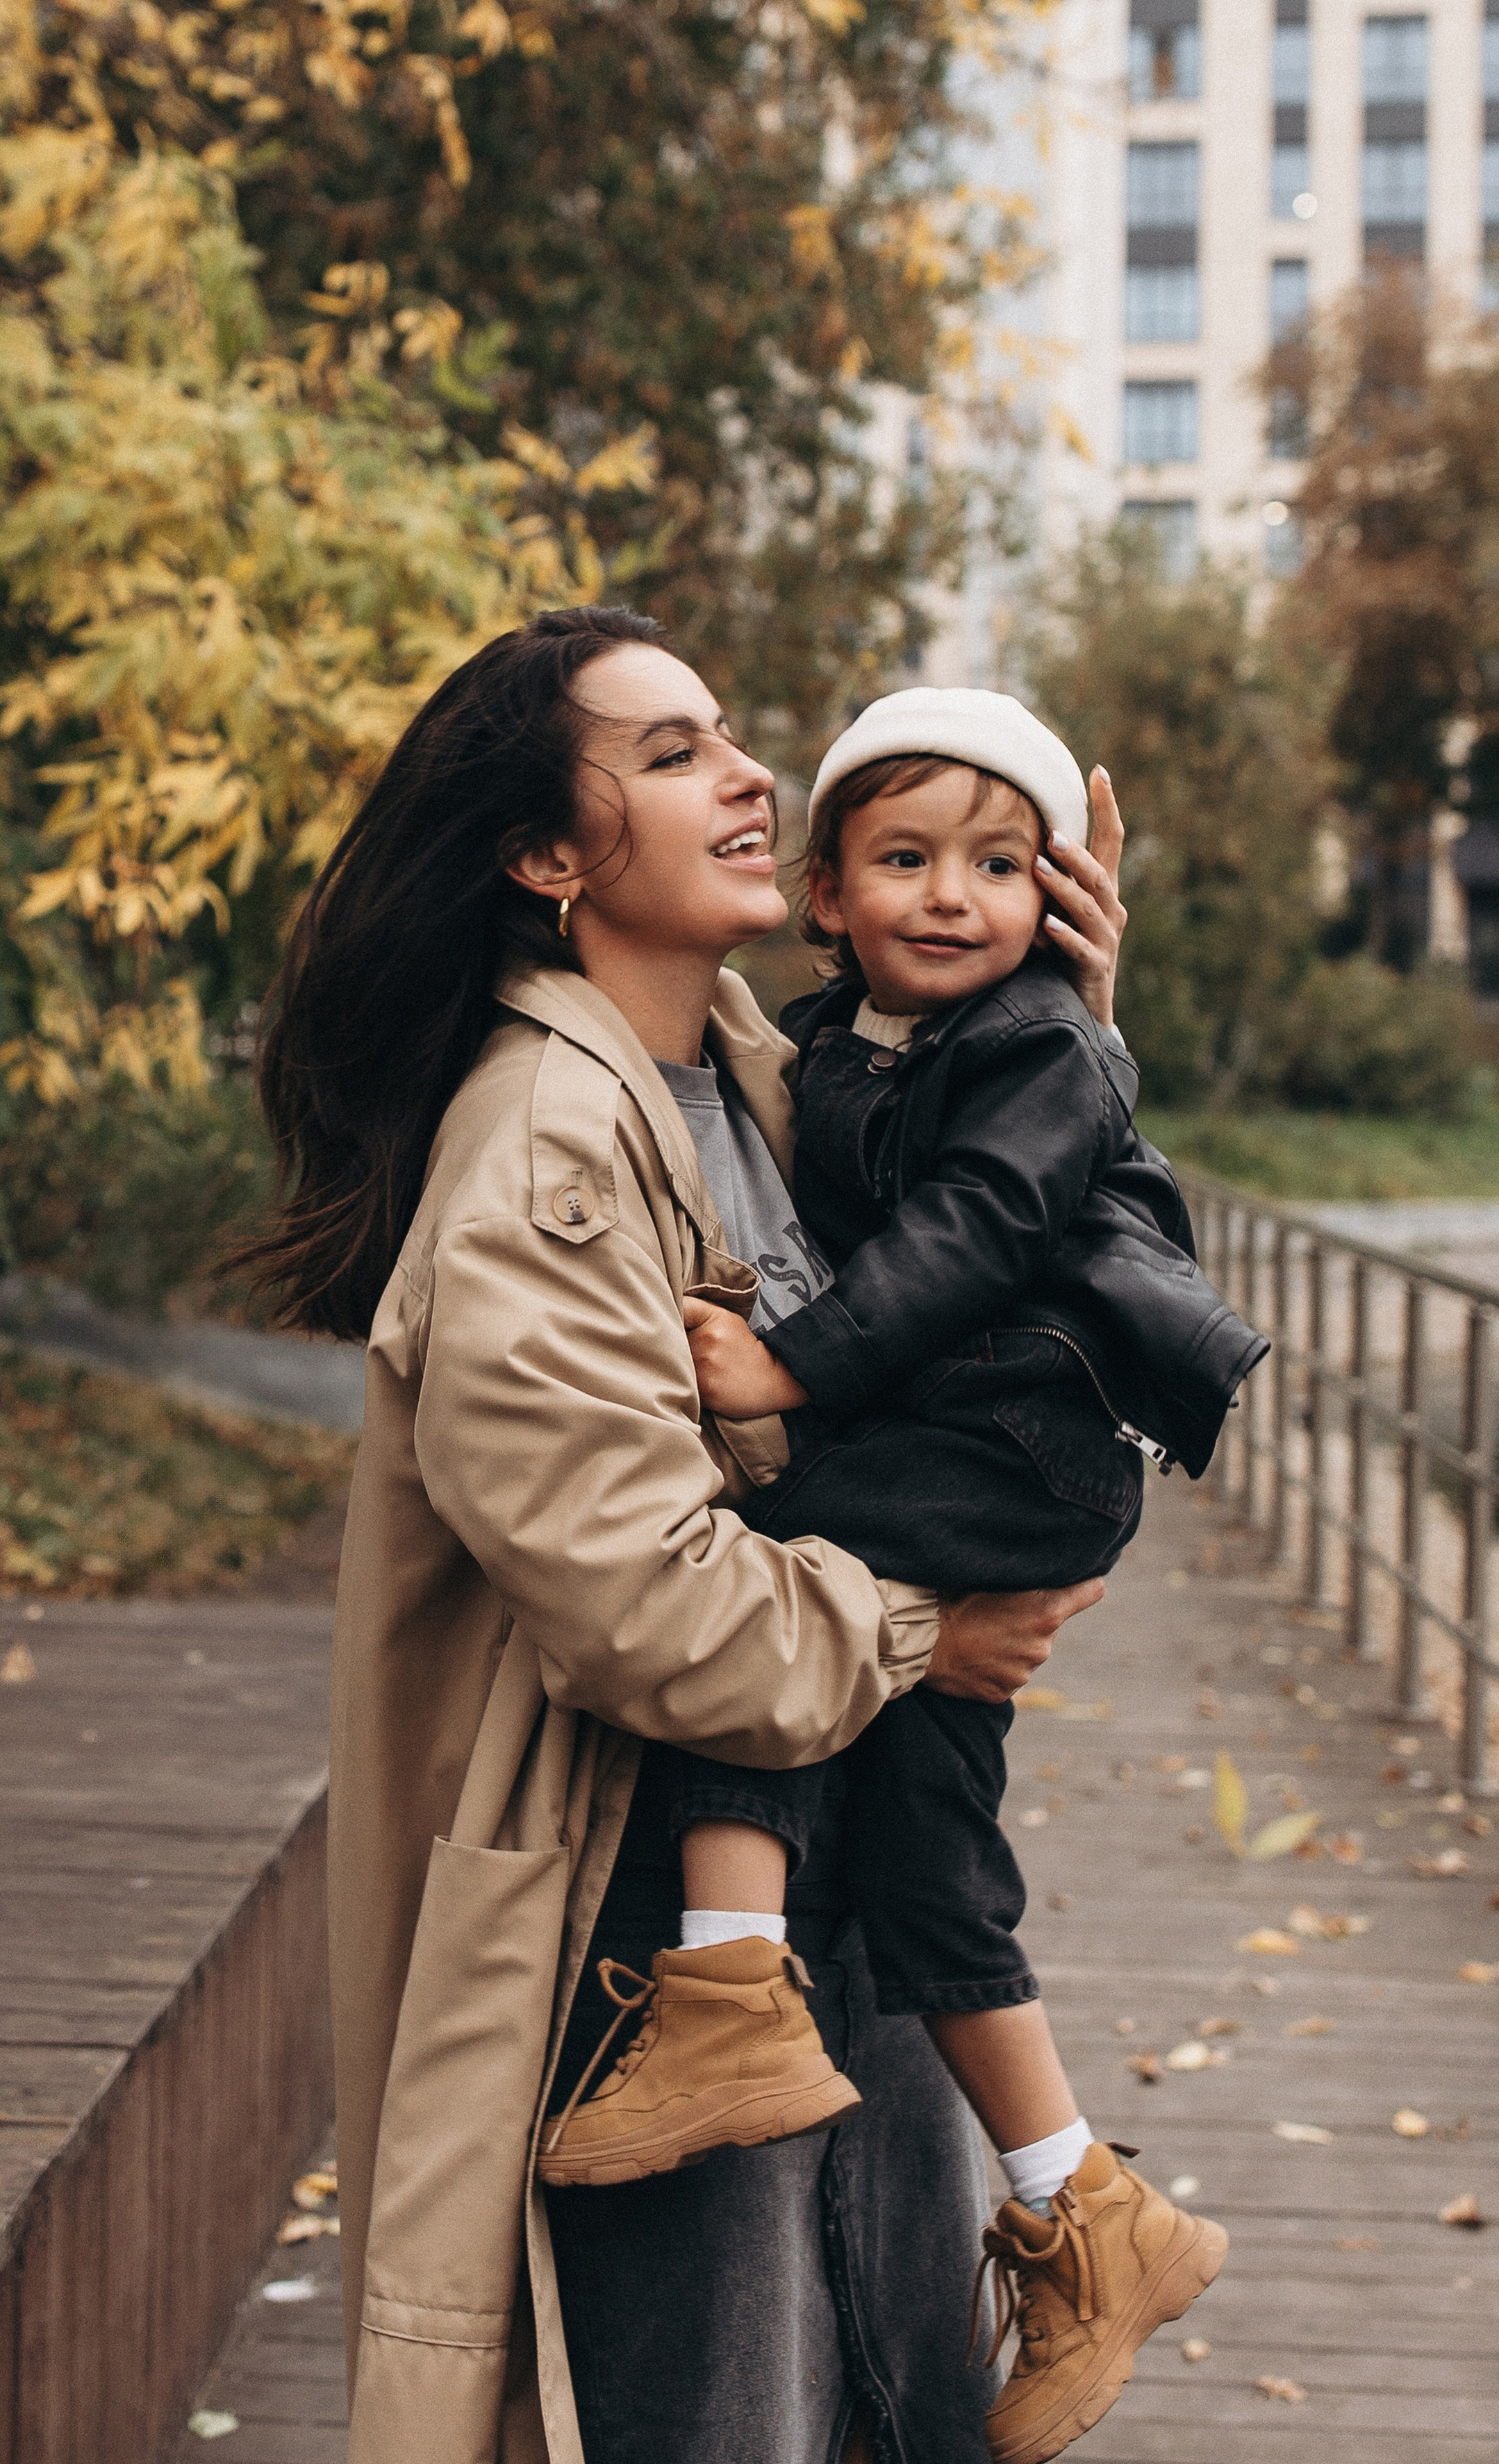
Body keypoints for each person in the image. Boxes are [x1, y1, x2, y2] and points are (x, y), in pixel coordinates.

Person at [239, 606, 1127, 2464]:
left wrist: (1051, 1029)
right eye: (668, 753)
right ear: (547, 858)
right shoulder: (548, 1152)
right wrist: (920, 1637)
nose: (742, 774)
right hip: (645, 1927)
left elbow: (967, 1269)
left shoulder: (756, 1080)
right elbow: (647, 1606)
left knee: (887, 2414)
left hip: (830, 1874)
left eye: (731, 737)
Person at [535, 690, 1264, 2464]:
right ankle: (1081, 2201)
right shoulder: (802, 1042)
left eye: (1000, 864)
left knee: (776, 1559)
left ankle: (722, 1981)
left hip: (1007, 1449)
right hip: (975, 1458)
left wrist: (793, 1366)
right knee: (936, 1832)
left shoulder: (1031, 1046)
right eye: (908, 861)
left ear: (1053, 887)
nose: (952, 895)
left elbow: (979, 1227)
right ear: (831, 895)